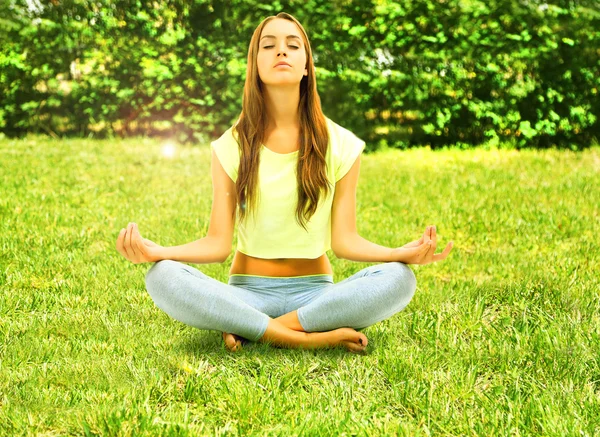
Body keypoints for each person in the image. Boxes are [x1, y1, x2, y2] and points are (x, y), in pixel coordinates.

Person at [115, 12, 453, 354]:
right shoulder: (229, 146)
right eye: (269, 46)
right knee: (162, 276)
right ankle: (309, 335)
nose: (281, 52)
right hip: (247, 292)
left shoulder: (341, 143)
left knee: (400, 279)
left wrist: (400, 254)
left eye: (293, 45)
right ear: (255, 65)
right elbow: (217, 245)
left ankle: (258, 328)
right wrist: (158, 253)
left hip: (316, 293)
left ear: (307, 66)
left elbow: (345, 242)